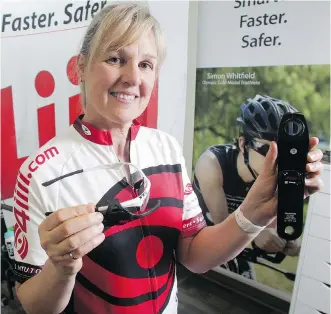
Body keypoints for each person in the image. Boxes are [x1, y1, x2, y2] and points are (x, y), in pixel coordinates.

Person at [12, 4, 324, 314]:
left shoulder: (165, 147)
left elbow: (194, 255)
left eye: (146, 65)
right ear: (81, 66)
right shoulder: (40, 172)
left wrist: (254, 211)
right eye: (115, 59)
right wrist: (61, 268)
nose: (132, 78)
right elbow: (34, 304)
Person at [193, 95, 316, 279]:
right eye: (267, 149)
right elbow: (222, 226)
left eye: (286, 151)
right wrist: (256, 233)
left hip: (237, 245)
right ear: (243, 144)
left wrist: (287, 240)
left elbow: (271, 227)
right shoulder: (212, 164)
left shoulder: (279, 176)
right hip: (200, 243)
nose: (277, 159)